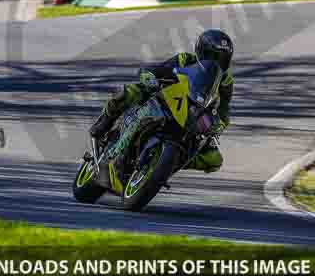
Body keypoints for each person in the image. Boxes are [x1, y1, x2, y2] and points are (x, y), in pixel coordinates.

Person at [90, 29, 234, 173]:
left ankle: (169, 163)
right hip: (167, 98)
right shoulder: (185, 59)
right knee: (130, 91)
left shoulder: (226, 81)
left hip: (195, 116)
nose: (216, 62)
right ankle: (104, 123)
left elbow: (224, 108)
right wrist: (150, 75)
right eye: (213, 56)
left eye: (222, 59)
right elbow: (161, 69)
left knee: (215, 160)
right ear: (201, 51)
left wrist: (220, 123)